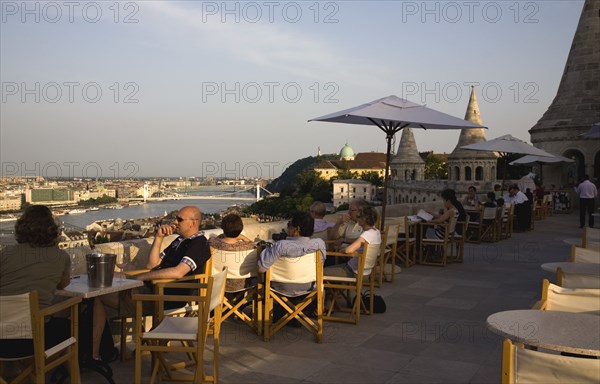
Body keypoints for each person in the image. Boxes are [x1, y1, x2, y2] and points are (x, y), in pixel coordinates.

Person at [92, 205, 211, 362]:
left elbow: (179, 272)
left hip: (163, 297)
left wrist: (143, 277)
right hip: (152, 289)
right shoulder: (179, 240)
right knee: (108, 276)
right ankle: (102, 350)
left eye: (180, 219)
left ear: (193, 222)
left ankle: (94, 355)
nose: (175, 221)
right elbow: (152, 264)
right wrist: (159, 238)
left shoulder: (198, 243)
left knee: (98, 297)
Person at [0, 205, 78, 380]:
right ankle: (57, 375)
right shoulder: (60, 256)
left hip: (2, 339)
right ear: (52, 229)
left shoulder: (5, 254)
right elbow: (62, 285)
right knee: (67, 325)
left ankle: (22, 373)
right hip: (33, 341)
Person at [258, 212, 326, 297]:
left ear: (296, 229)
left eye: (289, 224)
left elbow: (261, 269)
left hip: (280, 291)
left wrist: (266, 250)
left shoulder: (280, 246)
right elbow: (321, 264)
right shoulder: (319, 244)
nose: (287, 227)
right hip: (309, 290)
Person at [324, 206, 381, 278]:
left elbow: (348, 250)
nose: (357, 219)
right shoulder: (376, 232)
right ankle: (339, 288)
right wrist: (345, 240)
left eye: (358, 216)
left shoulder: (366, 234)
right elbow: (359, 241)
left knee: (322, 271)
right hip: (366, 272)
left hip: (353, 271)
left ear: (364, 219)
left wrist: (343, 250)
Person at [209, 213, 254, 291]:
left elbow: (216, 239)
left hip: (217, 284)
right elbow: (253, 243)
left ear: (223, 228)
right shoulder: (248, 247)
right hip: (242, 285)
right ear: (240, 229)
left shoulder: (212, 243)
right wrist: (242, 237)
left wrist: (223, 235)